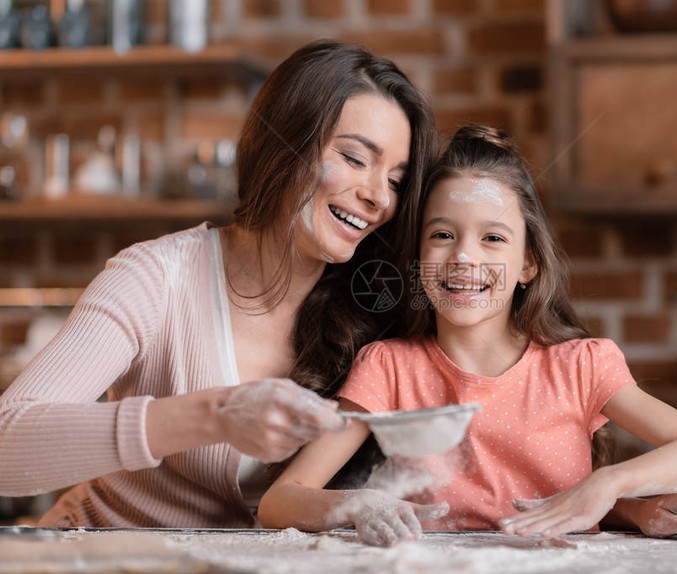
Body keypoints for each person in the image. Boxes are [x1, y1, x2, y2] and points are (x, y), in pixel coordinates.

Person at [0, 40, 437, 528]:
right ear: (285, 142)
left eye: (397, 181)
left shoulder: (373, 309)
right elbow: (6, 444)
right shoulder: (155, 278)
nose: (378, 197)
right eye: (355, 159)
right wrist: (217, 414)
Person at [256, 125, 677, 547]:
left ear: (528, 263)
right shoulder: (389, 368)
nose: (464, 258)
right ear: (416, 256)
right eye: (442, 234)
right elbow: (280, 501)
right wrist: (356, 503)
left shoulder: (582, 365)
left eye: (493, 238)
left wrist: (612, 488)